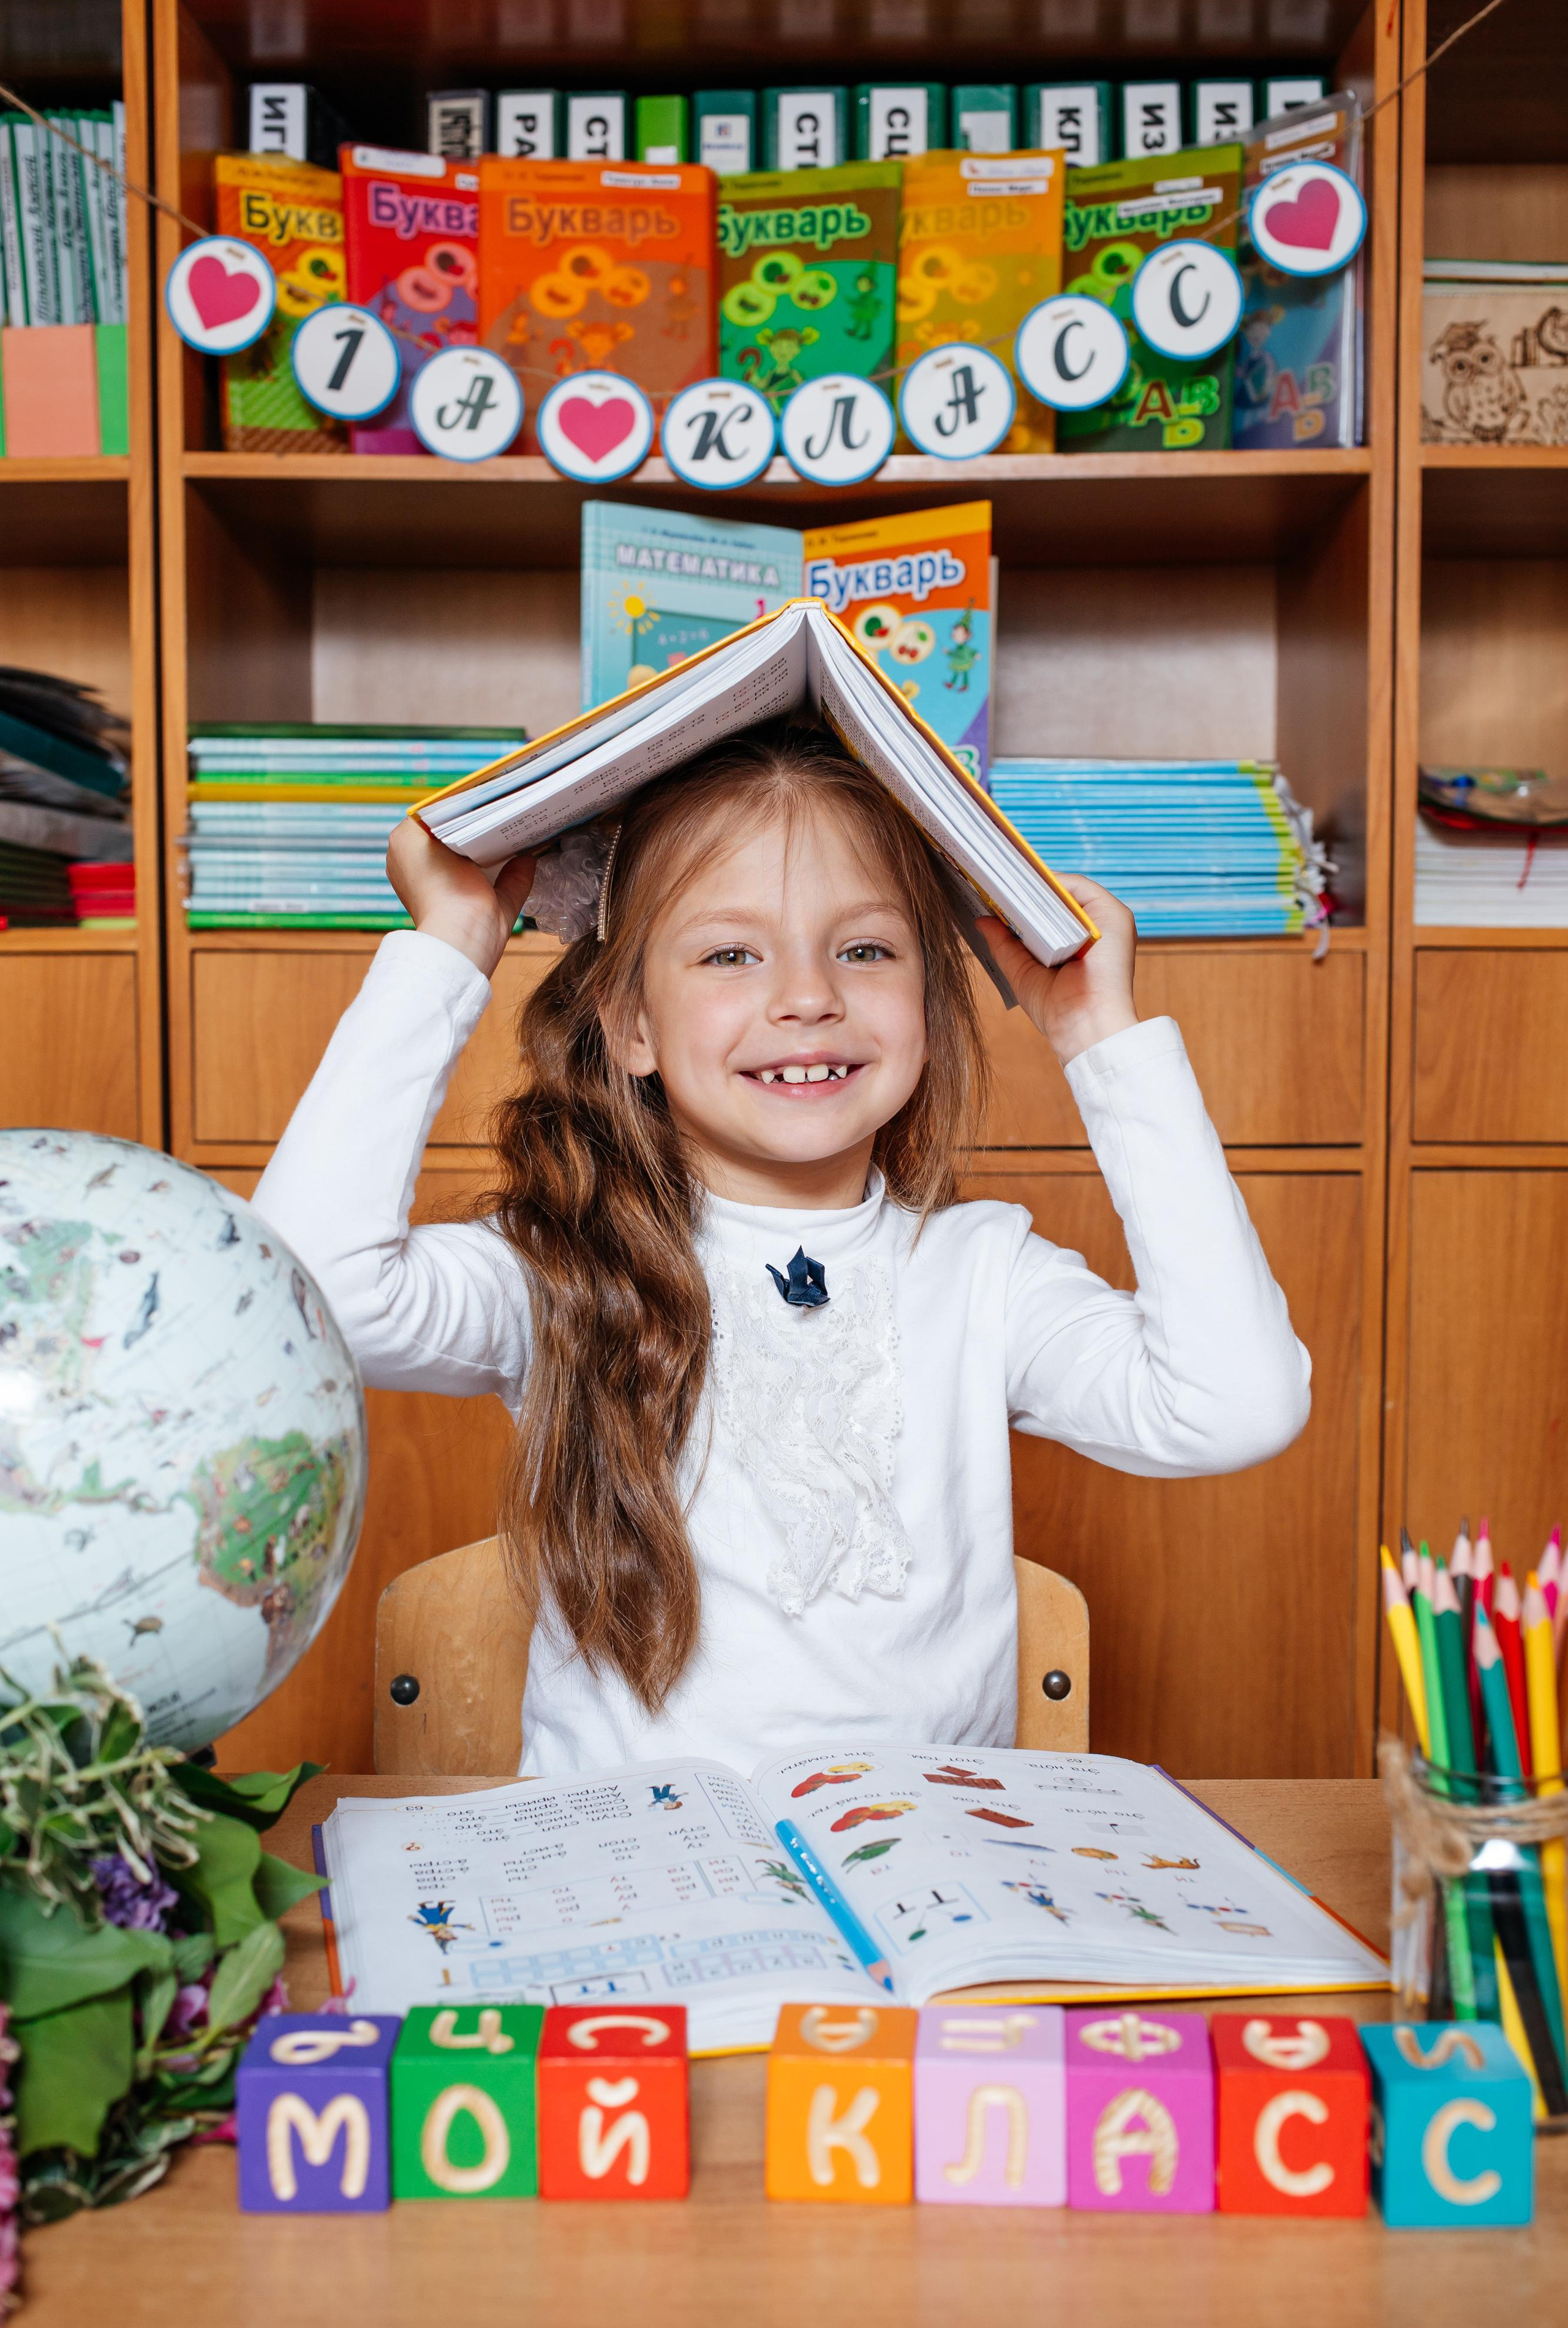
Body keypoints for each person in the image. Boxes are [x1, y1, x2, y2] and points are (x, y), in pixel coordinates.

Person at [254, 722, 1310, 1779]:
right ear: (631, 1025)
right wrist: (448, 946)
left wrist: (1101, 1038)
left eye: (864, 949)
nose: (809, 996)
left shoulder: (986, 1271)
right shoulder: (559, 1265)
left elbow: (1234, 1405)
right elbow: (307, 1296)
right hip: (642, 1893)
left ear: (933, 1011)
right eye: (730, 954)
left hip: (923, 1886)